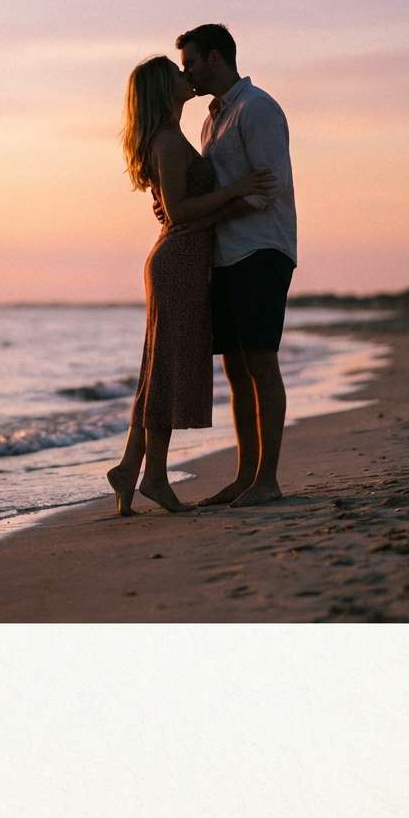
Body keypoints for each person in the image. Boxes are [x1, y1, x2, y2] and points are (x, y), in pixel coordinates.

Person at [107, 56, 279, 515]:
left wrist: (229, 207)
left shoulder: (178, 135)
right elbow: (182, 212)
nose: (189, 78)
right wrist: (237, 192)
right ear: (166, 89)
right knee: (166, 367)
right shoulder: (167, 140)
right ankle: (155, 478)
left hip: (181, 255)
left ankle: (130, 468)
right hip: (179, 260)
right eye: (179, 74)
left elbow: (181, 209)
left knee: (158, 366)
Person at [176, 24, 297, 507]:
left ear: (215, 58)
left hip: (262, 248)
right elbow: (224, 186)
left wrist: (212, 213)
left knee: (261, 361)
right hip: (227, 253)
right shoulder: (212, 119)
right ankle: (246, 476)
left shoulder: (257, 108)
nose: (186, 73)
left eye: (190, 63)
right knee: (234, 367)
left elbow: (267, 190)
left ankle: (268, 479)